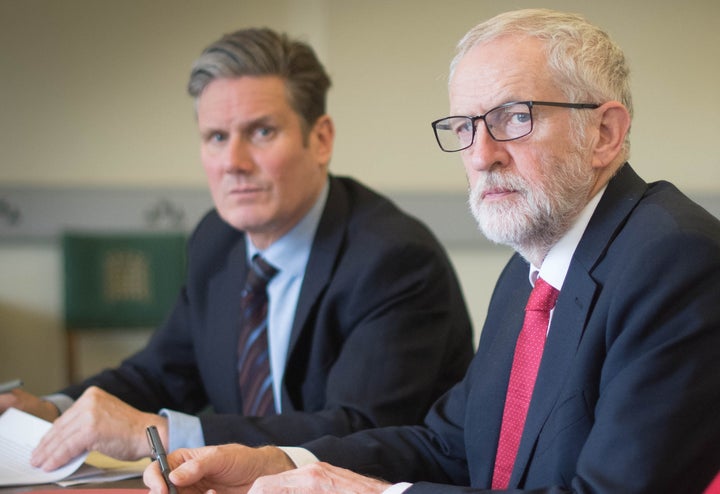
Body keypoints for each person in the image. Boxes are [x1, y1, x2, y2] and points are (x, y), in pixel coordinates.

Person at [143, 8, 720, 493]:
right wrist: (283, 462)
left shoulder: (675, 261)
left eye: (514, 118)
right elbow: (450, 445)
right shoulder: (529, 274)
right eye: (465, 127)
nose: (480, 154)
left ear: (603, 135)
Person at [0, 28, 474, 471]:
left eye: (262, 132)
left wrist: (165, 434)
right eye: (217, 137)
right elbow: (161, 373)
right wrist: (52, 408)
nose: (233, 163)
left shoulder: (394, 258)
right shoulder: (217, 240)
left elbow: (362, 430)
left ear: (321, 138)